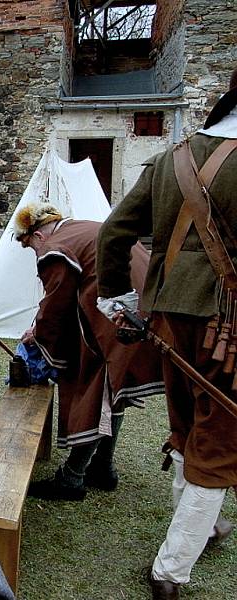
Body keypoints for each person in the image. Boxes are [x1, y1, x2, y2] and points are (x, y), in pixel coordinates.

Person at [96, 69, 237, 599]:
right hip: (227, 327)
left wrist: (119, 297)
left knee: (187, 425)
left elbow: (115, 232)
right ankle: (170, 572)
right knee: (218, 446)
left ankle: (207, 526)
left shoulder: (170, 158)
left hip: (167, 318)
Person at [14, 204, 164, 501]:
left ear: (37, 236)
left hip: (122, 315)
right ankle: (102, 467)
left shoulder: (54, 248)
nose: (34, 253)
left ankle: (72, 478)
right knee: (113, 387)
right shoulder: (80, 226)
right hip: (146, 305)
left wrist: (39, 334)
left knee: (97, 390)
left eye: (29, 246)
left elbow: (56, 303)